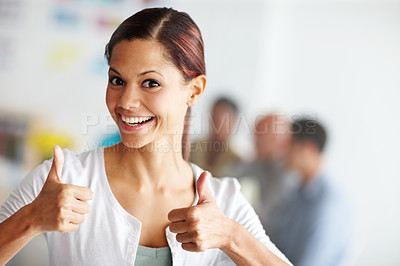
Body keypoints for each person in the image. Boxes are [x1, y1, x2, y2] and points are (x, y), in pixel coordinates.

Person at [0, 8, 291, 266]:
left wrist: (231, 236)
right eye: (117, 80)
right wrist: (29, 219)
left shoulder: (223, 203)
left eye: (150, 83)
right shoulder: (61, 179)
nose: (126, 101)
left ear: (194, 91)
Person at [265, 118, 353, 266]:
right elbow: (276, 239)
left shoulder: (327, 204)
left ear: (308, 148)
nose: (282, 152)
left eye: (289, 144)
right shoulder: (297, 192)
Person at [231, 113, 298, 224]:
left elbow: (264, 215)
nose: (254, 142)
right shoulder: (262, 162)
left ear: (275, 140)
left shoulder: (286, 174)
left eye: (258, 137)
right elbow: (228, 175)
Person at [190, 97, 241, 177]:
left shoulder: (238, 159)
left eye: (222, 119)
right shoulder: (194, 146)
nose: (216, 123)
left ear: (234, 121)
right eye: (214, 116)